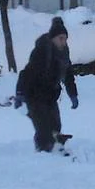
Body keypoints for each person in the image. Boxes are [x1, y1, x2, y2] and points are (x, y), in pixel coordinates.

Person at [14, 16, 79, 152]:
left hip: (50, 95)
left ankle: (55, 145)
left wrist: (73, 94)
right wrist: (20, 94)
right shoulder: (42, 51)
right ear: (53, 38)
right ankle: (43, 151)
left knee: (55, 124)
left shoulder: (64, 53)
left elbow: (68, 74)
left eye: (65, 38)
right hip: (34, 95)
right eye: (60, 38)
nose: (63, 42)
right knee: (43, 126)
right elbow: (26, 73)